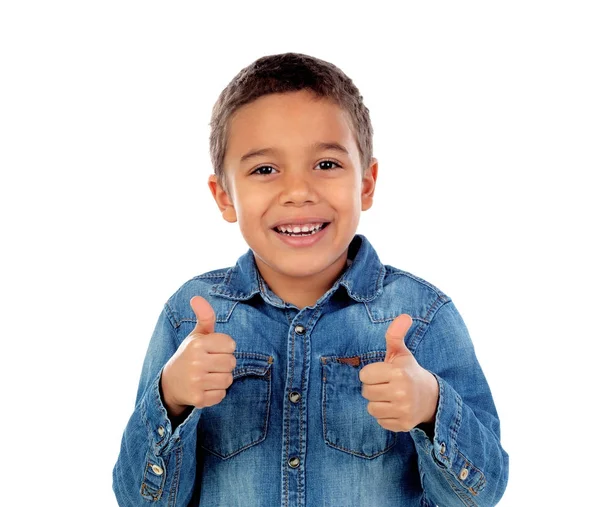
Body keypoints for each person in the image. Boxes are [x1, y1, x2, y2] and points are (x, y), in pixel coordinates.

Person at [112, 52, 509, 506]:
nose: (298, 191)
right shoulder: (189, 316)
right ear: (224, 196)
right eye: (265, 169)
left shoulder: (421, 316)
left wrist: (432, 409)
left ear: (366, 183)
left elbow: (480, 495)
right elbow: (139, 500)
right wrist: (172, 399)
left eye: (326, 164)